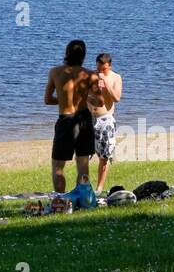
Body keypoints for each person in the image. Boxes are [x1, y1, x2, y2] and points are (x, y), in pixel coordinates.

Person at [45, 40, 98, 192]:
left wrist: (62, 100)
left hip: (66, 120)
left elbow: (48, 100)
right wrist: (86, 98)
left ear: (67, 53)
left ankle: (60, 200)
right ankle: (82, 198)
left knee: (58, 165)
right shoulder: (90, 75)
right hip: (84, 120)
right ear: (84, 55)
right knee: (83, 164)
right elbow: (100, 101)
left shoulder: (55, 72)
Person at [89, 52, 122, 193]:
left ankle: (99, 188)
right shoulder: (91, 76)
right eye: (98, 69)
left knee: (104, 156)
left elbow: (116, 98)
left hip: (106, 119)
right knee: (84, 155)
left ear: (110, 66)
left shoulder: (115, 77)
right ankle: (84, 186)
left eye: (103, 69)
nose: (100, 72)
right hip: (90, 119)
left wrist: (105, 84)